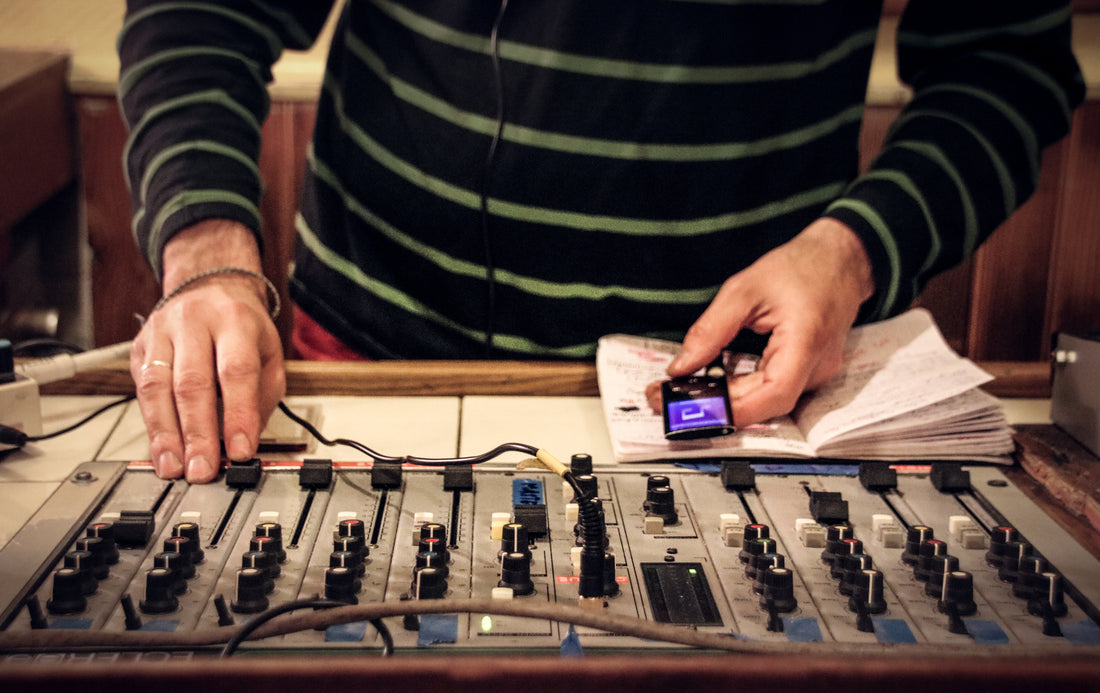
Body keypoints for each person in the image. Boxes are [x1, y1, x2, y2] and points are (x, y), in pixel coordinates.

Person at [118, 1, 1083, 483]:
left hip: (722, 400)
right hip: (363, 364)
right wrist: (206, 253)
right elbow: (202, 8)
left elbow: (1005, 67)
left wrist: (854, 251)